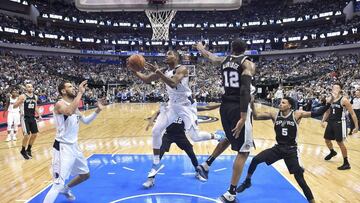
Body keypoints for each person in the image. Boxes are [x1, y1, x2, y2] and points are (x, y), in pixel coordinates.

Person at [129, 51, 224, 181]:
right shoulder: (163, 70)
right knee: (156, 130)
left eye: (169, 54)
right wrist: (134, 72)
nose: (166, 56)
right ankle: (155, 164)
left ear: (176, 57)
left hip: (186, 106)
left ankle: (217, 136)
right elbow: (146, 79)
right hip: (172, 105)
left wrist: (158, 72)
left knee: (195, 137)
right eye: (165, 54)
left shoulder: (182, 69)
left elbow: (173, 83)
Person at [236, 96, 333, 203]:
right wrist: (252, 103)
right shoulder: (275, 114)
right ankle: (247, 181)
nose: (280, 104)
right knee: (255, 160)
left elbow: (317, 113)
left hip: (291, 150)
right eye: (281, 102)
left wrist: (328, 104)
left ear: (289, 105)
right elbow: (256, 116)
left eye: (283, 102)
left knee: (300, 180)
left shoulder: (297, 114)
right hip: (278, 148)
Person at [195, 39, 256, 203]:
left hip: (225, 107)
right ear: (246, 50)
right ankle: (230, 193)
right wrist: (243, 116)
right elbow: (244, 90)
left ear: (231, 49)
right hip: (238, 107)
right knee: (243, 151)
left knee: (229, 137)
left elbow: (210, 56)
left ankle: (206, 165)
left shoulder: (224, 60)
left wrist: (201, 48)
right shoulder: (247, 64)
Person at [43, 80, 104, 203]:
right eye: (70, 86)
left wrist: (98, 110)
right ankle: (61, 188)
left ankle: (66, 189)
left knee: (85, 175)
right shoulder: (60, 104)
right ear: (63, 91)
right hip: (62, 148)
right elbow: (69, 111)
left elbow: (86, 121)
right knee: (57, 184)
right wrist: (80, 93)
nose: (74, 88)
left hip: (74, 146)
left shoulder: (73, 106)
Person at [142, 103, 221, 188]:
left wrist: (222, 103)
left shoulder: (188, 107)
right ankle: (151, 179)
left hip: (181, 135)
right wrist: (151, 121)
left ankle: (198, 172)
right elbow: (157, 113)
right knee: (159, 154)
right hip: (168, 135)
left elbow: (207, 107)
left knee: (191, 152)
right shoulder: (170, 106)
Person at [321, 83, 358, 170]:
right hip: (330, 122)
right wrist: (323, 120)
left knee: (340, 142)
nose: (335, 88)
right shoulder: (330, 99)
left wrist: (356, 126)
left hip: (340, 123)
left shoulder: (344, 100)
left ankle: (346, 163)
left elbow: (352, 113)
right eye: (333, 87)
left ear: (340, 89)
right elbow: (327, 111)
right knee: (327, 140)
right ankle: (332, 152)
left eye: (337, 87)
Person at [13, 83, 42, 159]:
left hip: (32, 117)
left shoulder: (35, 97)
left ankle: (28, 149)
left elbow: (35, 106)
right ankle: (23, 150)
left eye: (31, 86)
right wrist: (20, 102)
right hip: (24, 117)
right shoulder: (22, 96)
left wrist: (39, 114)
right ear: (26, 88)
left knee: (35, 134)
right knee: (27, 135)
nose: (30, 88)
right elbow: (14, 106)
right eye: (28, 87)